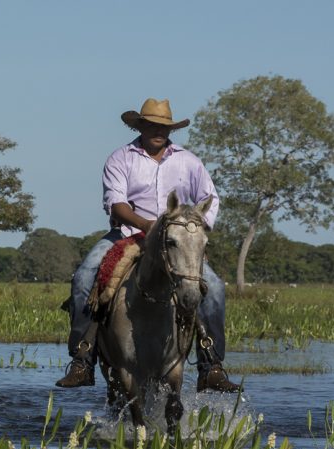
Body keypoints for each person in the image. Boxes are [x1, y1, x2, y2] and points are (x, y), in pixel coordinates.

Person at [56, 99, 239, 393]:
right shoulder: (121, 158)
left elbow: (210, 199)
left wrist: (194, 231)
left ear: (170, 129)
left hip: (175, 243)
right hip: (128, 235)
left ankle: (211, 366)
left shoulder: (189, 161)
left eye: (164, 127)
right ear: (140, 126)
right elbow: (117, 205)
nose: (158, 131)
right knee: (84, 278)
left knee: (214, 287)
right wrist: (148, 226)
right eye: (152, 125)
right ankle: (83, 358)